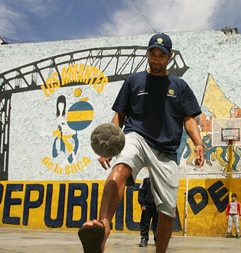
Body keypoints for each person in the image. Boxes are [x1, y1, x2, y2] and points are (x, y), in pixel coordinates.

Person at [78, 33, 205, 253]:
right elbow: (120, 115)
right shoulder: (133, 81)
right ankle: (102, 228)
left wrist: (199, 143)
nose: (156, 59)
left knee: (167, 210)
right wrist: (110, 146)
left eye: (161, 55)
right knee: (121, 167)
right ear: (147, 53)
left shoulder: (180, 85)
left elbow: (189, 118)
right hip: (136, 136)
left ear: (169, 56)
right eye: (152, 54)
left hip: (166, 150)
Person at [138, 176, 158, 247]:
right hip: (147, 207)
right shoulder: (146, 180)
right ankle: (144, 239)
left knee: (157, 224)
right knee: (145, 223)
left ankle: (157, 240)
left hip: (157, 207)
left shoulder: (161, 179)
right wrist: (142, 204)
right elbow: (141, 191)